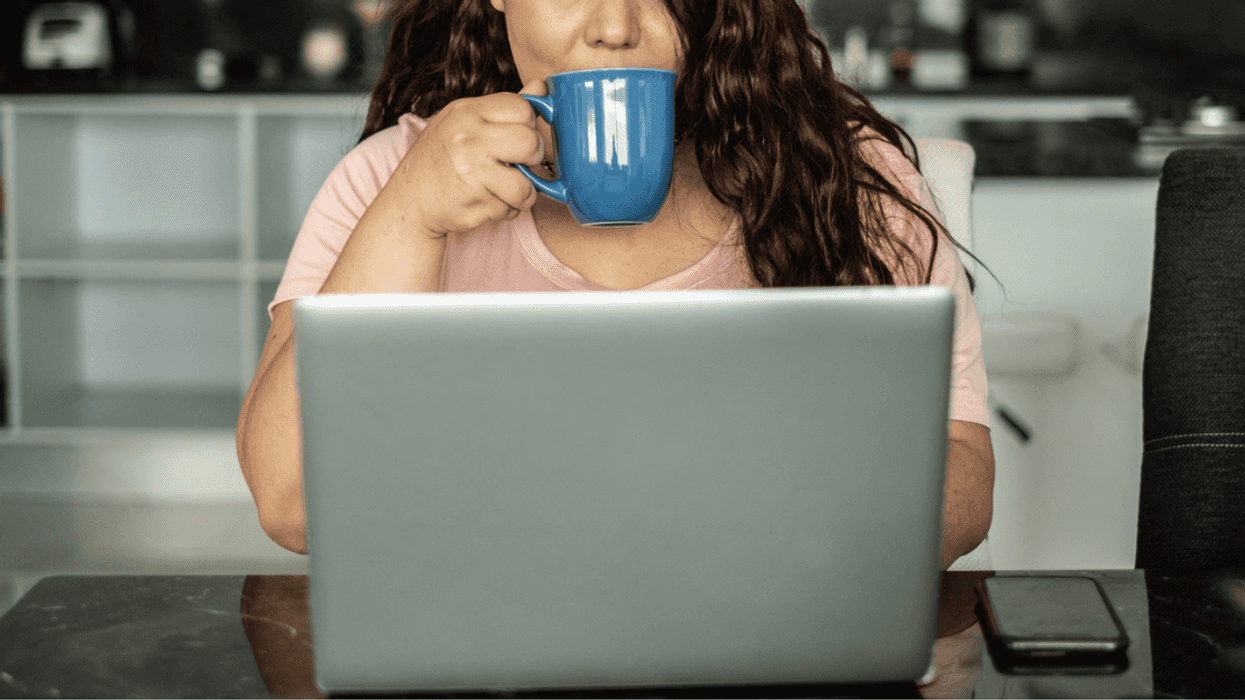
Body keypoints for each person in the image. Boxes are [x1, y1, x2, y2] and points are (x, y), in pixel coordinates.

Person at [236, 0, 995, 567]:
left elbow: (962, 485)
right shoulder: (387, 183)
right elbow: (293, 501)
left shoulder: (844, 180)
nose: (612, 28)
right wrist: (408, 214)